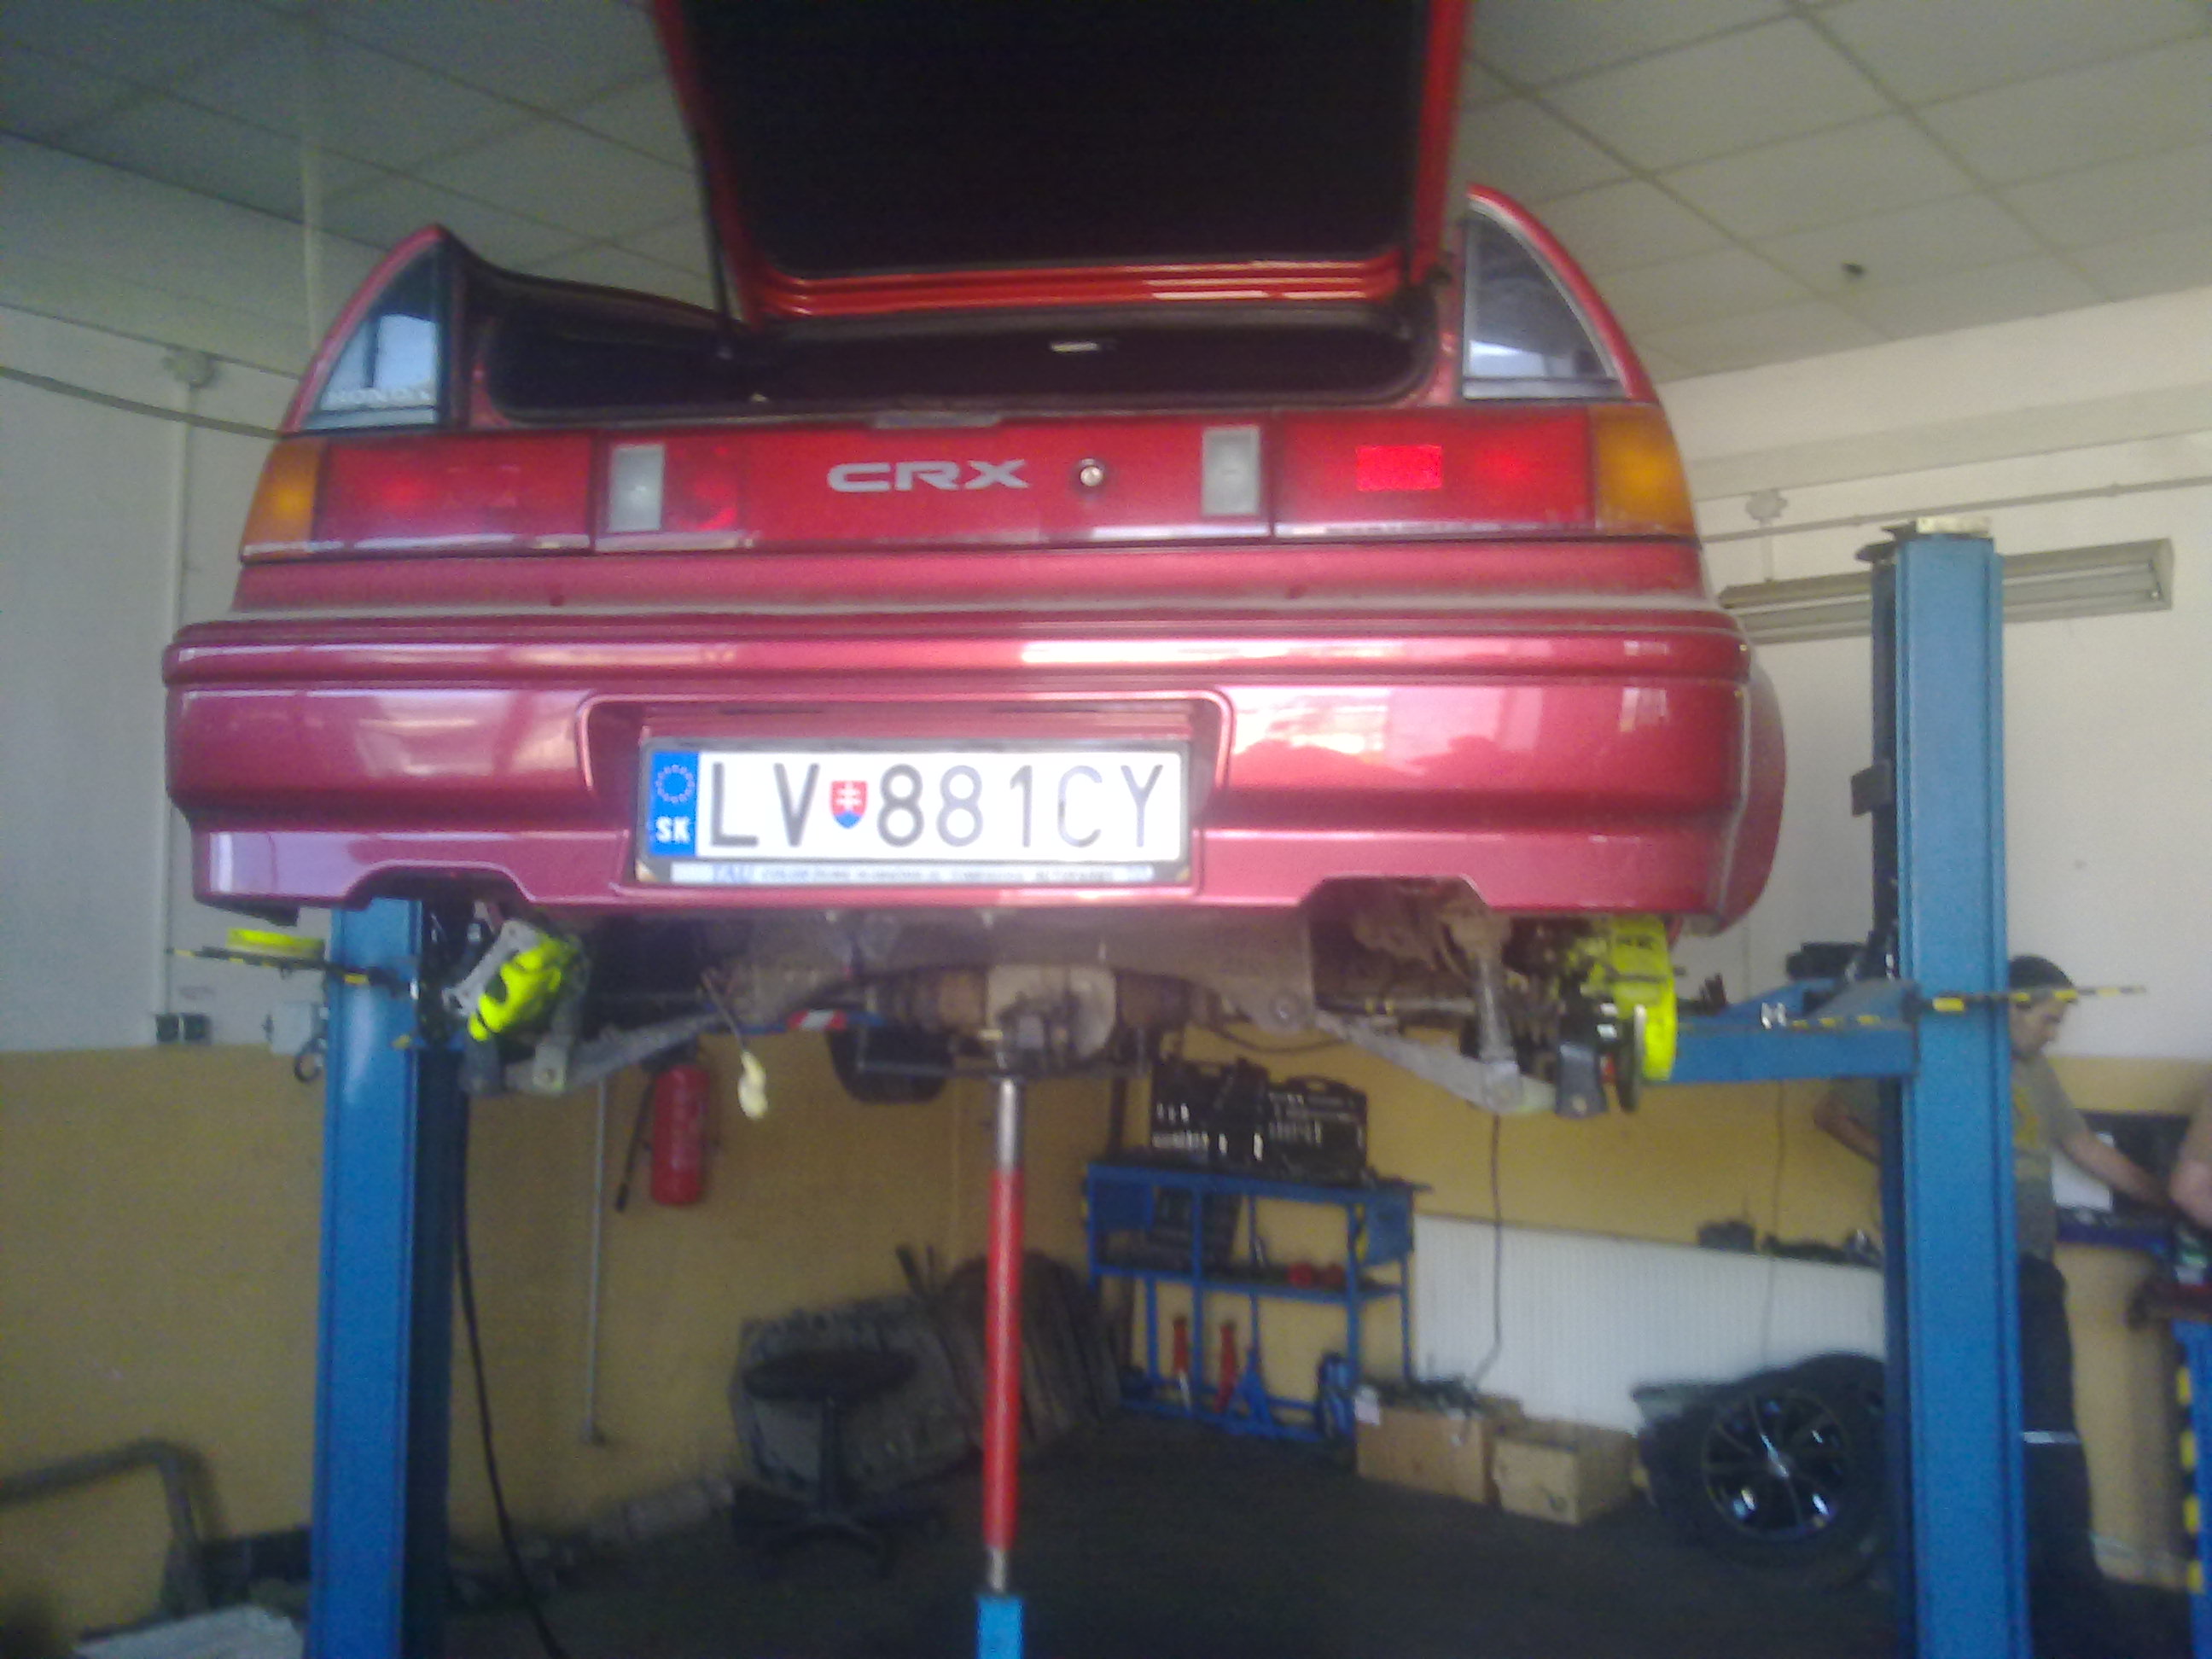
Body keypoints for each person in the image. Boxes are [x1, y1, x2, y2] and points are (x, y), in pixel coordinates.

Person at [1814, 953, 2159, 1659]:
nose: (2055, 1032)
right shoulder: (1934, 1052)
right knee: (1954, 1429)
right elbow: (1832, 1115)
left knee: (2047, 1432)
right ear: (2009, 1008)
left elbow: (2085, 1148)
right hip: (1955, 1269)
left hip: (2030, 1269)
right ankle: (1941, 1593)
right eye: (2049, 1018)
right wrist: (1916, 1168)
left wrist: (2172, 1205)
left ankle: (2061, 1604)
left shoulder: (2035, 1072)